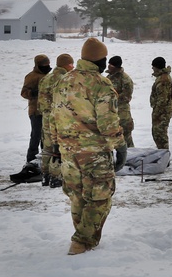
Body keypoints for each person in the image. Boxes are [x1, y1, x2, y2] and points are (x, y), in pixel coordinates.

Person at [49, 37, 126, 255]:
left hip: (68, 152)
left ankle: (83, 240)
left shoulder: (63, 80)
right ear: (99, 60)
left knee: (77, 196)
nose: (105, 63)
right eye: (104, 59)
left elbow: (52, 116)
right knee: (100, 197)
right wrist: (120, 146)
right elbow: (107, 122)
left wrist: (55, 145)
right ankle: (81, 242)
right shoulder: (100, 84)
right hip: (93, 153)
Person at [38, 53, 74, 188]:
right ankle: (56, 176)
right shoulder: (65, 79)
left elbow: (40, 100)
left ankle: (45, 175)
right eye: (72, 64)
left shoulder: (46, 79)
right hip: (59, 118)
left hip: (46, 116)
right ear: (67, 65)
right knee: (58, 147)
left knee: (47, 147)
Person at [21, 54, 51, 165]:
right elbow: (24, 93)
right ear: (38, 65)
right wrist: (35, 93)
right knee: (36, 136)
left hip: (47, 111)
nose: (47, 66)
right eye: (44, 64)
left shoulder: (49, 76)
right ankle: (31, 160)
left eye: (48, 64)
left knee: (47, 137)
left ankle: (45, 160)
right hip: (36, 112)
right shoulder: (31, 76)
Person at [107, 56, 135, 148]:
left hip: (123, 115)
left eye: (111, 65)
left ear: (116, 66)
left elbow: (126, 97)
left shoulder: (125, 80)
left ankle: (132, 159)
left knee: (126, 140)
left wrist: (112, 98)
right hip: (111, 114)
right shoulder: (109, 77)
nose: (108, 67)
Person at [150, 57, 172, 152]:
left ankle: (164, 156)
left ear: (157, 67)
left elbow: (162, 99)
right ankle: (163, 154)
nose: (152, 68)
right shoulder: (161, 77)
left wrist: (156, 112)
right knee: (158, 134)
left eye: (153, 66)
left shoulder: (163, 80)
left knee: (160, 135)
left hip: (162, 112)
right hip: (161, 111)